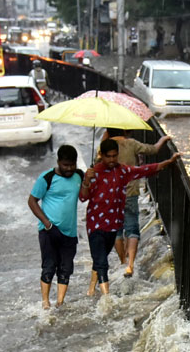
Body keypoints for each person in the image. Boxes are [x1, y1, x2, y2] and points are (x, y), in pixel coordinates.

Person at [80, 139, 181, 296]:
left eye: (115, 156)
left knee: (101, 258)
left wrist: (168, 162)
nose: (112, 160)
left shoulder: (123, 171)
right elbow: (82, 197)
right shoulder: (93, 173)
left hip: (113, 225)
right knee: (102, 262)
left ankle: (91, 290)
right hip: (96, 224)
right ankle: (107, 299)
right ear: (102, 155)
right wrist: (86, 181)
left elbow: (145, 170)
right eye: (109, 156)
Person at [99, 127, 172, 277]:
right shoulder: (131, 144)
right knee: (132, 228)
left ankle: (122, 261)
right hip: (130, 192)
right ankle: (130, 265)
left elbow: (98, 166)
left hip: (110, 195)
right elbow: (153, 150)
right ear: (125, 130)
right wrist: (163, 140)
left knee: (116, 230)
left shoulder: (104, 149)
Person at [28, 145, 82, 308]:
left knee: (66, 268)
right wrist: (47, 223)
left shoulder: (79, 176)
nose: (69, 168)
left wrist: (88, 181)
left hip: (70, 232)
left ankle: (60, 302)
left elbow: (85, 196)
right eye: (65, 165)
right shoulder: (47, 178)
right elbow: (32, 201)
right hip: (49, 230)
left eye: (72, 165)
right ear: (58, 162)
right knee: (49, 266)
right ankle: (45, 302)